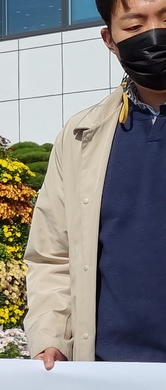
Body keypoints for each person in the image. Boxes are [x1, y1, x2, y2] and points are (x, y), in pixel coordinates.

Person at [25, 0, 166, 368]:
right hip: (108, 375)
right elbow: (52, 254)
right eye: (134, 26)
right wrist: (51, 335)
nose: (153, 34)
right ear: (110, 39)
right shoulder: (80, 135)